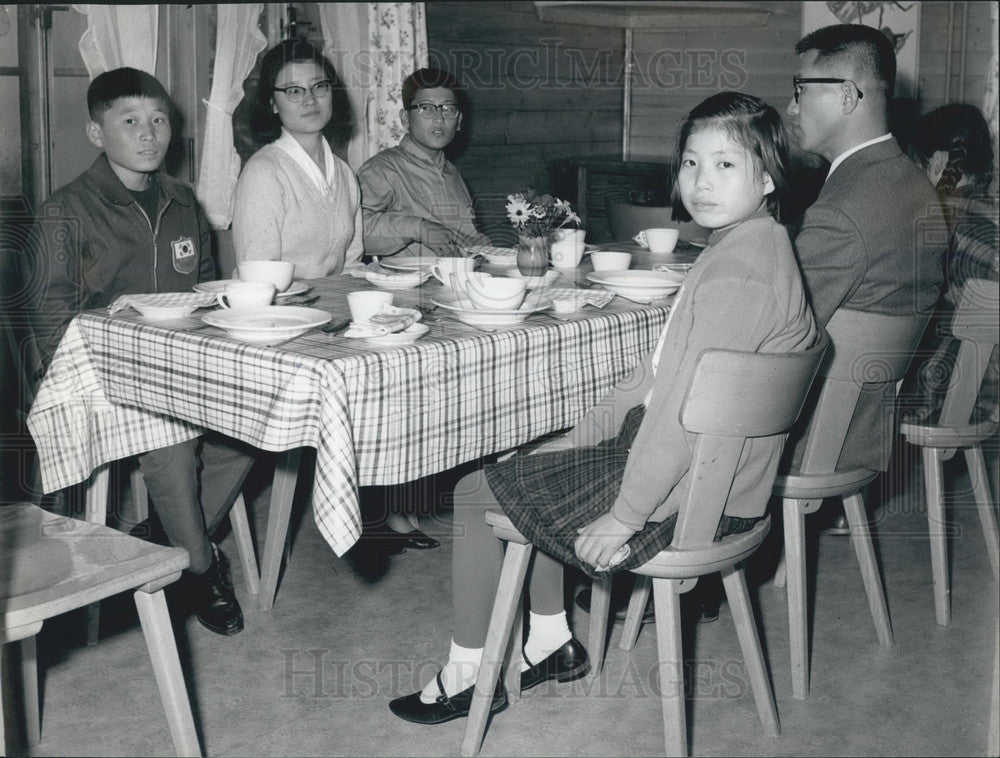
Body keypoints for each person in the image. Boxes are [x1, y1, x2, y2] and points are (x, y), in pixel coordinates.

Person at [388, 91, 820, 725]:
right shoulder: (751, 245)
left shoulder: (737, 272)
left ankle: (467, 673)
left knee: (479, 491)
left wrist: (625, 516)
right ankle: (551, 640)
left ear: (768, 175)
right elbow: (652, 380)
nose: (701, 181)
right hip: (711, 474)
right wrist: (570, 442)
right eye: (692, 162)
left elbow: (677, 413)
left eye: (726, 165)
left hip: (699, 495)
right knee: (530, 460)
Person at [26, 67, 254, 636]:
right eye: (130, 121)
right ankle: (200, 567)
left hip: (176, 369)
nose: (149, 134)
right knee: (171, 441)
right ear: (98, 133)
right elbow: (48, 317)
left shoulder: (181, 201)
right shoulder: (66, 210)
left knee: (256, 423)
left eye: (158, 121)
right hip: (94, 376)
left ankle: (169, 536)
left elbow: (204, 290)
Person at [787, 23, 947, 534]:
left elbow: (775, 329)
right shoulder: (911, 183)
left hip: (817, 435)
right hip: (867, 425)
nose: (792, 108)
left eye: (800, 91)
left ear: (849, 96)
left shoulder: (844, 209)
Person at [232, 38, 363, 278]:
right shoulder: (264, 172)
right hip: (278, 312)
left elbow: (351, 266)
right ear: (272, 103)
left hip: (333, 310)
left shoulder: (344, 174)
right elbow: (257, 278)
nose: (310, 99)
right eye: (294, 91)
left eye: (319, 86)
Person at [905, 103, 998, 422]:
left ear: (940, 162)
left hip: (966, 397)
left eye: (917, 167)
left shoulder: (953, 227)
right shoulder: (990, 211)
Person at [356, 67, 491, 259]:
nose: (439, 118)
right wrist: (418, 227)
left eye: (448, 109)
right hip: (407, 286)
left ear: (459, 121)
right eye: (426, 108)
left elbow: (463, 238)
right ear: (405, 119)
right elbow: (356, 233)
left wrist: (482, 247)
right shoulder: (383, 169)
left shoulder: (452, 172)